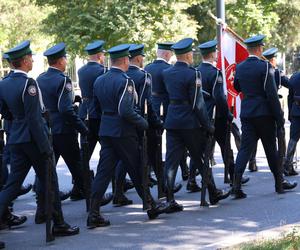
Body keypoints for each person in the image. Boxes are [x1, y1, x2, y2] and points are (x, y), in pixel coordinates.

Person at [0, 41, 79, 248]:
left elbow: (5, 112)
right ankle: (59, 223)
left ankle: (52, 219)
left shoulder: (4, 83)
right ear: (25, 60)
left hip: (16, 138)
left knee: (12, 185)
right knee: (50, 180)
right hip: (34, 140)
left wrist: (18, 122)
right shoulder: (29, 84)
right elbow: (35, 120)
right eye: (31, 58)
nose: (33, 60)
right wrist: (45, 147)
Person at [87, 44, 168, 229]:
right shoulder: (125, 81)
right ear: (124, 60)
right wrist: (143, 123)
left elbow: (97, 109)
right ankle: (151, 205)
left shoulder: (100, 80)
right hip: (123, 132)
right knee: (138, 168)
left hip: (107, 131)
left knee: (103, 173)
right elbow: (126, 110)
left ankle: (93, 213)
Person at [162, 38, 230, 212]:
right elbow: (197, 104)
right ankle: (213, 192)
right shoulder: (193, 74)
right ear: (186, 55)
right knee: (200, 158)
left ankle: (169, 198)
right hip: (190, 123)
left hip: (172, 122)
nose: (193, 56)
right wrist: (208, 126)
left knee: (171, 162)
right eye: (191, 53)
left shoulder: (167, 73)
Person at [232, 35, 297, 199]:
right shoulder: (265, 66)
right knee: (271, 150)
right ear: (260, 49)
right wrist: (279, 116)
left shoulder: (240, 67)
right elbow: (271, 94)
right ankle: (279, 183)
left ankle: (236, 185)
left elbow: (237, 86)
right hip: (264, 113)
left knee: (245, 150)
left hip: (247, 112)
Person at [37, 43, 89, 206]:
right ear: (60, 61)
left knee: (47, 168)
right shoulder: (63, 80)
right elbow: (65, 109)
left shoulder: (40, 78)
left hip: (48, 128)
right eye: (65, 58)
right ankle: (94, 196)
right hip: (64, 129)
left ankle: (42, 205)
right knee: (77, 165)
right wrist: (82, 127)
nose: (66, 61)